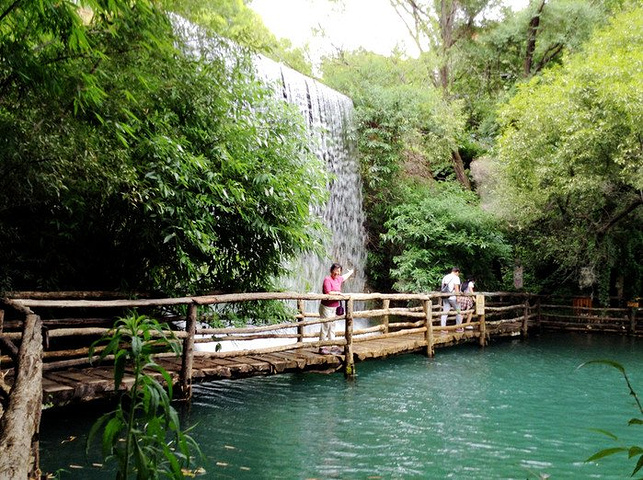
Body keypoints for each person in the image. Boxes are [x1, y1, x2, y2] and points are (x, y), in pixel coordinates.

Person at [319, 263, 354, 354]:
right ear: (331, 271)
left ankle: (333, 346)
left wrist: (351, 272)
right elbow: (328, 292)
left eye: (339, 271)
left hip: (335, 307)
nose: (337, 273)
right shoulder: (327, 279)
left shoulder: (339, 279)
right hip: (326, 307)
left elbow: (344, 277)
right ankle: (322, 347)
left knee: (332, 326)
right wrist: (339, 293)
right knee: (326, 325)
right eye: (336, 271)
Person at [440, 267, 462, 332]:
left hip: (445, 297)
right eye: (458, 273)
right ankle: (458, 327)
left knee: (445, 312)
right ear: (457, 272)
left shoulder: (445, 277)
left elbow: (442, 287)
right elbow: (456, 288)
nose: (458, 275)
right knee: (458, 311)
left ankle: (443, 328)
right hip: (453, 298)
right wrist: (458, 297)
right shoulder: (456, 277)